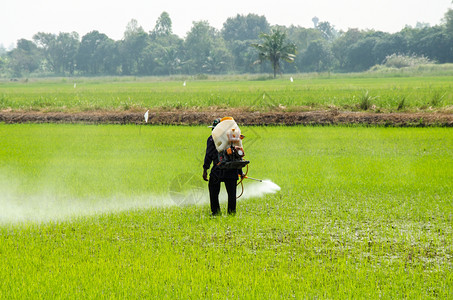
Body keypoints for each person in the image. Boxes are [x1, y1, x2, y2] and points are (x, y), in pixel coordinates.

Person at [203, 118, 243, 215]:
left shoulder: (212, 139)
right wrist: (240, 171)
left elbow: (209, 155)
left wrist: (205, 170)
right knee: (232, 194)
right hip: (232, 170)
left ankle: (216, 212)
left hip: (218, 169)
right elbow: (238, 156)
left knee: (213, 190)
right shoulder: (233, 138)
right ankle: (231, 213)